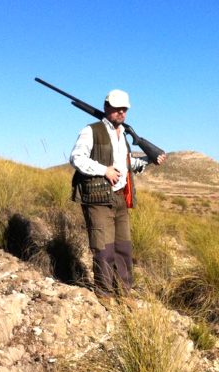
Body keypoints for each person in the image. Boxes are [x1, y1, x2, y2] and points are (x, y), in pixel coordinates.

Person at [69, 89, 166, 298]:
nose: (121, 112)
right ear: (106, 107)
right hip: (98, 198)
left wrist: (150, 159)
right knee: (103, 249)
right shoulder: (90, 130)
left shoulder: (124, 135)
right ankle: (105, 294)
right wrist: (105, 170)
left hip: (120, 197)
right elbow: (77, 158)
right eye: (116, 108)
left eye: (124, 109)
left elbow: (128, 164)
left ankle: (124, 293)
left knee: (123, 248)